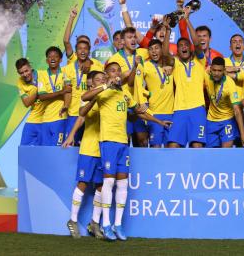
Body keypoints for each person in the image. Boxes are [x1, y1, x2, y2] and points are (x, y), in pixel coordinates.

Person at [81, 61, 171, 241]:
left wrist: (158, 122)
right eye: (112, 71)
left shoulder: (124, 93)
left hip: (123, 143)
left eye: (118, 71)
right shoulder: (103, 91)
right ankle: (105, 223)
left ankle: (118, 224)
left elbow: (138, 111)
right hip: (108, 142)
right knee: (109, 182)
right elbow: (84, 97)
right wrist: (105, 84)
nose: (116, 74)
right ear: (106, 75)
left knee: (123, 184)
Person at [63, 70, 106, 239]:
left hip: (104, 147)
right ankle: (72, 220)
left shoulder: (109, 96)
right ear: (92, 83)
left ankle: (94, 223)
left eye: (104, 78)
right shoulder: (87, 96)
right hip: (88, 147)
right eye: (98, 79)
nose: (102, 80)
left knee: (102, 187)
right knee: (83, 183)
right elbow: (81, 116)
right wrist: (72, 134)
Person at [107, 27, 150, 147]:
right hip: (124, 105)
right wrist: (123, 75)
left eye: (134, 37)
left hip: (140, 104)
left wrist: (169, 66)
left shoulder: (142, 53)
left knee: (142, 141)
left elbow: (160, 53)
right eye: (129, 37)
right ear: (122, 41)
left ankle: (142, 166)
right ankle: (124, 165)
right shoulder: (114, 59)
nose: (133, 40)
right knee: (125, 139)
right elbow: (112, 82)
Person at [163, 32, 208, 148]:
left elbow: (197, 44)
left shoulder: (200, 61)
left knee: (197, 145)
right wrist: (168, 30)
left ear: (190, 48)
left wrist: (187, 20)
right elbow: (164, 53)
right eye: (180, 45)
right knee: (173, 146)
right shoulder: (175, 63)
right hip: (179, 110)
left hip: (197, 109)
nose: (183, 47)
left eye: (186, 45)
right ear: (177, 50)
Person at [63, 38, 103, 145]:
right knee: (70, 145)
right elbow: (67, 91)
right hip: (74, 113)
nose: (83, 51)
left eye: (85, 49)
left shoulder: (96, 67)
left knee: (89, 145)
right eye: (80, 49)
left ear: (89, 51)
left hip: (91, 113)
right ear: (76, 52)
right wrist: (66, 106)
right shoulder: (67, 69)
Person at [205, 57, 244, 148]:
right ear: (210, 69)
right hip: (211, 120)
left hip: (227, 120)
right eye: (214, 70)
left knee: (226, 152)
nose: (216, 73)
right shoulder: (206, 77)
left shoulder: (230, 84)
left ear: (224, 71)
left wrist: (243, 134)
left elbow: (237, 110)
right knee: (210, 154)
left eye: (219, 71)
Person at [140, 37, 174, 148]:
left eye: (156, 48)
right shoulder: (145, 66)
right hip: (155, 114)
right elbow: (138, 86)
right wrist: (143, 100)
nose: (154, 51)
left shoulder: (171, 65)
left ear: (162, 49)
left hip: (171, 113)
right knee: (156, 148)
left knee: (172, 148)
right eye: (151, 49)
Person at [37, 47, 72, 146]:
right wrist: (60, 93)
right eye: (50, 57)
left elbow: (68, 91)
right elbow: (42, 97)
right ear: (46, 60)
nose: (53, 59)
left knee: (57, 150)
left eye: (56, 56)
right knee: (45, 152)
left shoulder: (65, 74)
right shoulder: (42, 75)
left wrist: (66, 105)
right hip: (45, 120)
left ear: (61, 60)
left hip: (60, 118)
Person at [15, 58, 45, 146]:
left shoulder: (43, 75)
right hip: (33, 118)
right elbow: (26, 103)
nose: (25, 74)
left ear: (30, 67)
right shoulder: (19, 82)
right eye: (21, 73)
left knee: (43, 151)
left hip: (47, 119)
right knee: (24, 149)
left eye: (26, 71)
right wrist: (37, 88)